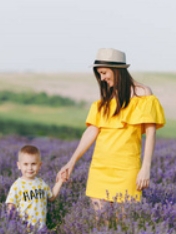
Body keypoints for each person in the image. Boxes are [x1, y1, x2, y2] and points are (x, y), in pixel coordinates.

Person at [57, 48, 165, 211]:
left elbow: (150, 134)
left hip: (127, 169)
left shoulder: (143, 94)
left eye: (104, 72)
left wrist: (146, 167)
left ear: (117, 70)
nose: (102, 78)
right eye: (99, 74)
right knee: (99, 222)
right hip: (100, 168)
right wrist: (71, 162)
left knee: (121, 224)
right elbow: (92, 131)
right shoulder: (105, 99)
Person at [6, 145, 63, 231]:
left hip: (41, 229)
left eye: (33, 164)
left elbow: (51, 197)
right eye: (25, 164)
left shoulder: (41, 183)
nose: (29, 168)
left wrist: (60, 181)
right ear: (19, 165)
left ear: (40, 165)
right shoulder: (17, 186)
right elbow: (11, 207)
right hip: (24, 230)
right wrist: (13, 226)